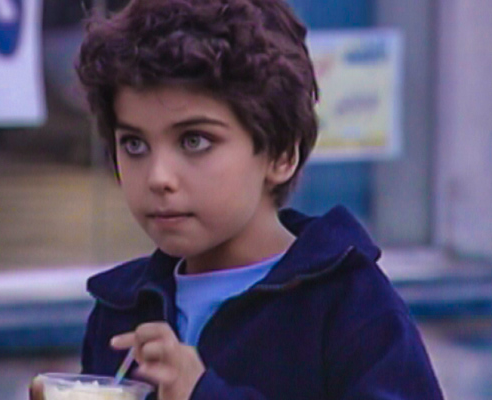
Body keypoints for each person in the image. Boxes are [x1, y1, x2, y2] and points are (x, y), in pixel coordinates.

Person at [32, 0, 444, 399]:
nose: (158, 177)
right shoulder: (122, 307)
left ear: (281, 154)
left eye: (194, 141)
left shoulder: (350, 306)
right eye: (135, 144)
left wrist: (203, 394)